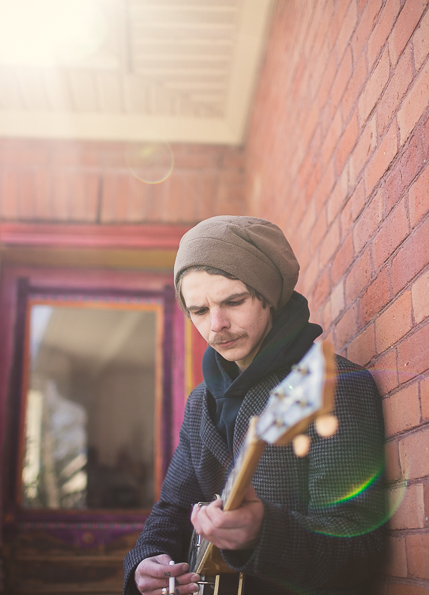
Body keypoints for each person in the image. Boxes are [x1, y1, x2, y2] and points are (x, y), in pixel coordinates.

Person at [123, 216, 385, 595]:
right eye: (199, 310)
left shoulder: (334, 386)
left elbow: (361, 546)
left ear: (270, 296)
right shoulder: (201, 403)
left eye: (233, 301)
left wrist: (263, 534)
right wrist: (145, 561)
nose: (216, 325)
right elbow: (171, 511)